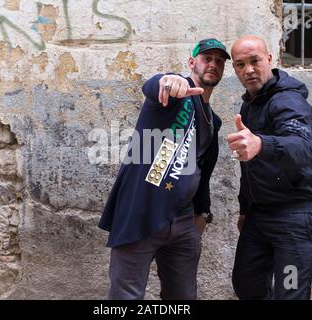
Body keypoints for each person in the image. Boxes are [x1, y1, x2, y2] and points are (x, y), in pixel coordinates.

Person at [99, 38, 231, 300]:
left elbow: (202, 174)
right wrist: (169, 81)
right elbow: (154, 85)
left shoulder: (213, 120)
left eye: (219, 60)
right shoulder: (172, 98)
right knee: (125, 298)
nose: (213, 64)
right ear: (192, 62)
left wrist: (202, 215)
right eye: (207, 58)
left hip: (183, 223)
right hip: (142, 215)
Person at [227, 35, 312, 300]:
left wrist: (261, 144)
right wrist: (245, 208)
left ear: (270, 59)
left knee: (290, 290)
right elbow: (249, 165)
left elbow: (302, 147)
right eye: (240, 64)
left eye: (254, 61)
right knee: (246, 283)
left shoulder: (288, 101)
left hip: (294, 218)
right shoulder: (251, 103)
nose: (248, 70)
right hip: (259, 217)